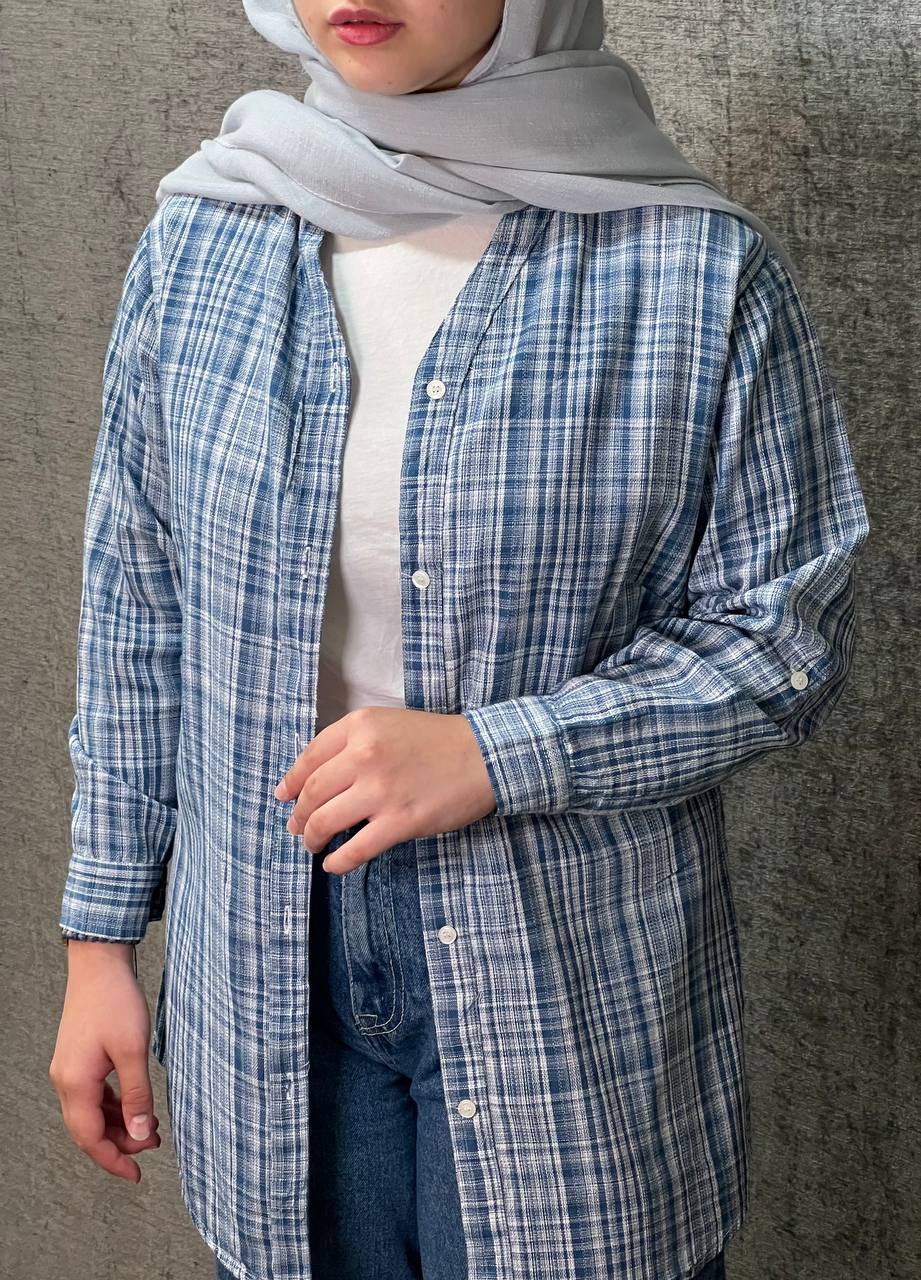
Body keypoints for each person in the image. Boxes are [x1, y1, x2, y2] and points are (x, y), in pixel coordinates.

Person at [49, 2, 870, 1278]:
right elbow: (138, 608)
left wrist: (501, 750)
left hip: (564, 968)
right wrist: (101, 942)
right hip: (260, 954)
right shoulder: (206, 236)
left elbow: (784, 633)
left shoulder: (693, 269)